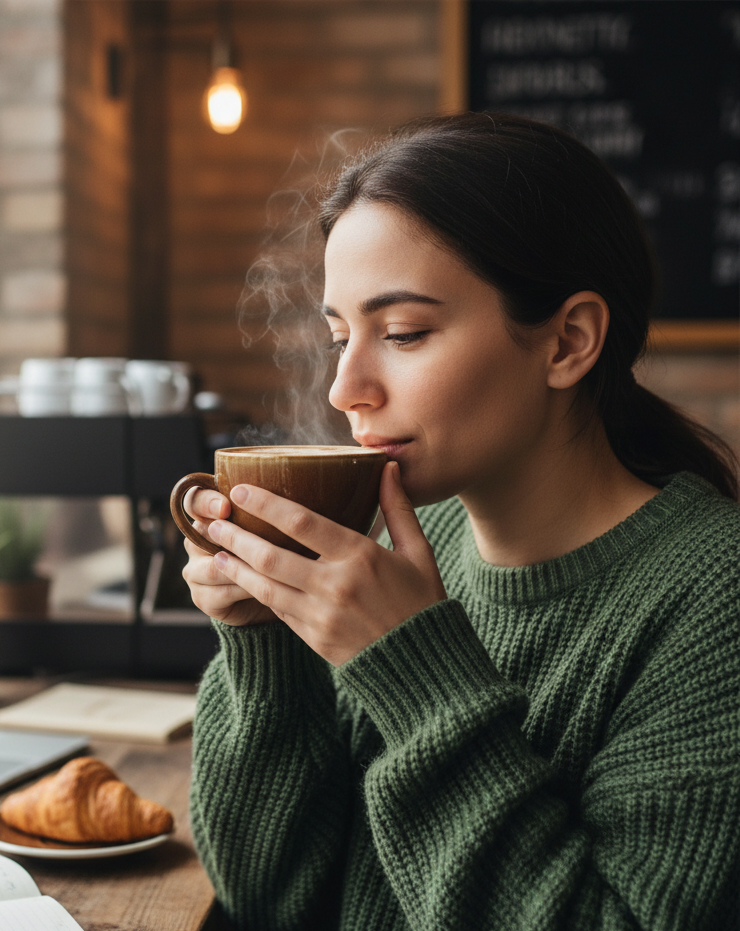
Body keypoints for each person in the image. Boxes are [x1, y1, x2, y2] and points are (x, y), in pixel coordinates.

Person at [181, 112, 740, 931]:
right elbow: (269, 896)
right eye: (339, 337)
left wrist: (412, 669)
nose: (344, 389)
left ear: (568, 341)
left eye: (403, 333)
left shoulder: (715, 601)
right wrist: (267, 642)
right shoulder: (398, 547)